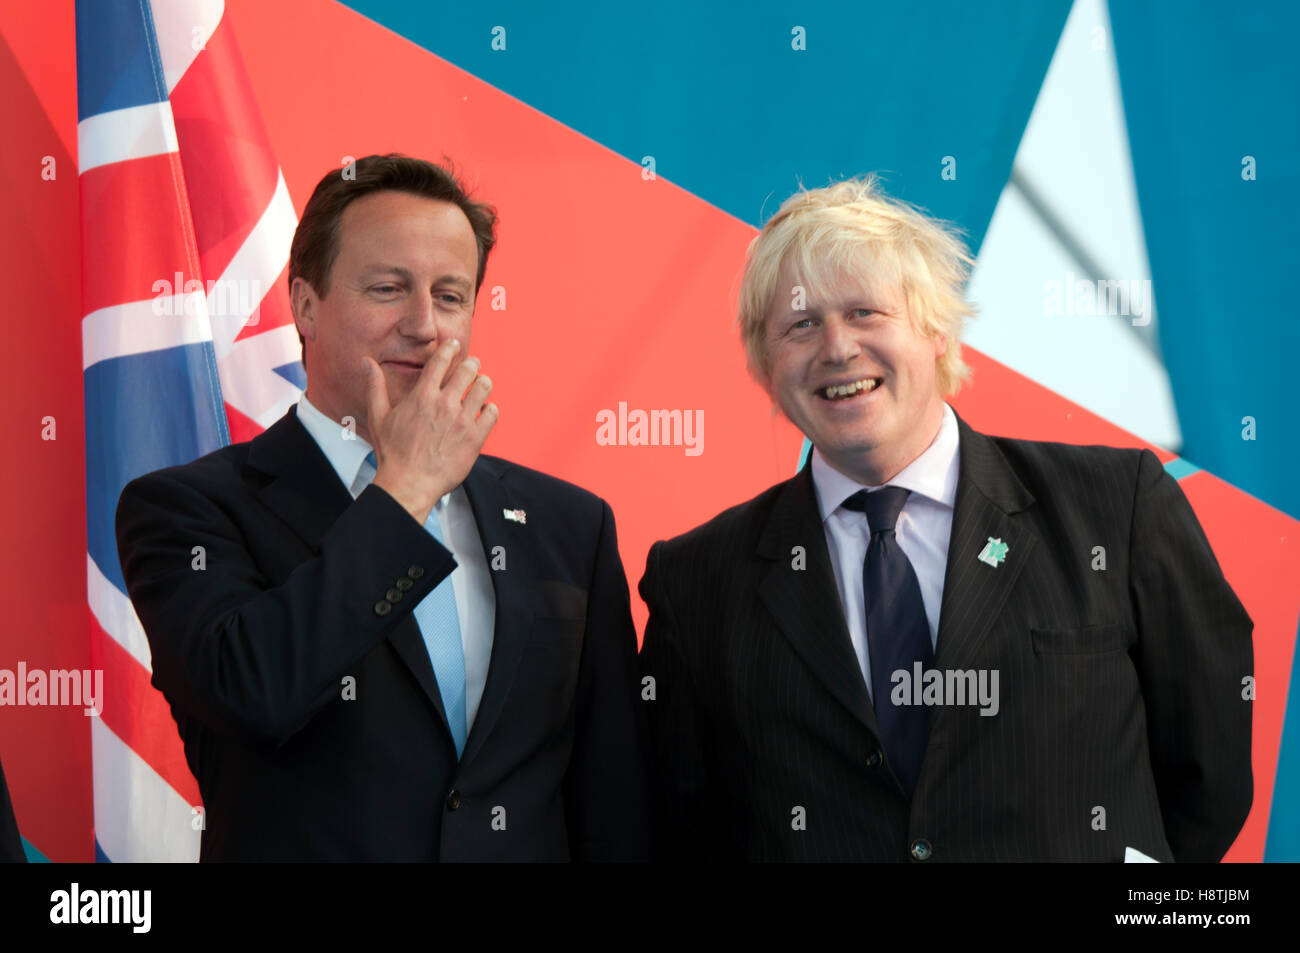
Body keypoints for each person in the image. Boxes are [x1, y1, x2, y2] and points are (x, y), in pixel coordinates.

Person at [637, 176, 1253, 862]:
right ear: (764, 364)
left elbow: (1210, 772)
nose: (837, 347)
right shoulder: (695, 580)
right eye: (802, 323)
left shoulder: (1117, 506)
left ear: (935, 328)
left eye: (866, 312)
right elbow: (678, 830)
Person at [116, 154, 652, 861]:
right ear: (305, 304)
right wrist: (405, 489)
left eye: (451, 295)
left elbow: (614, 803)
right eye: (388, 288)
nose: (425, 325)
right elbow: (254, 691)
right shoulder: (186, 509)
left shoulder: (570, 525)